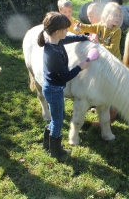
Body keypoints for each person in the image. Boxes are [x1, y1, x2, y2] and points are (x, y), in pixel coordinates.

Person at [39, 12, 91, 158]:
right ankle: (56, 151)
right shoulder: (53, 54)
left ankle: (47, 143)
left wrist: (85, 36)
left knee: (59, 115)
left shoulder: (56, 42)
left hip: (54, 88)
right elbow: (66, 76)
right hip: (54, 90)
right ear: (57, 32)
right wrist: (81, 66)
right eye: (65, 29)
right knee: (57, 121)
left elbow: (70, 38)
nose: (67, 32)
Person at [76, 2, 122, 122]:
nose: (118, 18)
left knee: (111, 87)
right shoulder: (100, 26)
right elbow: (89, 28)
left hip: (114, 64)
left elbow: (113, 49)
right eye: (115, 15)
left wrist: (98, 45)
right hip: (103, 60)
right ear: (107, 15)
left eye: (119, 16)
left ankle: (112, 112)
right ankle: (99, 104)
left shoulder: (117, 31)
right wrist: (81, 26)